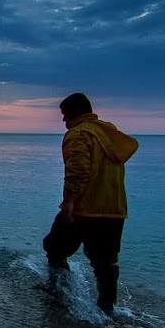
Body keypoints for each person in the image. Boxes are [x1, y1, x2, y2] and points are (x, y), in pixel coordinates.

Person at [43, 92, 139, 316]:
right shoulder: (109, 134)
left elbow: (78, 171)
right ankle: (107, 309)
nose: (64, 121)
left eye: (65, 116)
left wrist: (68, 202)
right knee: (106, 263)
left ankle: (58, 293)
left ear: (76, 113)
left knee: (54, 248)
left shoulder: (79, 135)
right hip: (114, 210)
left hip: (84, 209)